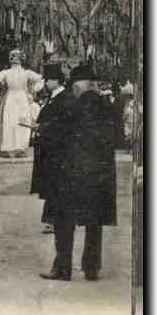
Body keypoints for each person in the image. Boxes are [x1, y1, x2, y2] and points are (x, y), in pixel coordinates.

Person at [40, 63, 117, 282]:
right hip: (100, 173)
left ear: (78, 85)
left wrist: (41, 130)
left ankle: (63, 268)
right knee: (94, 222)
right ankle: (92, 268)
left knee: (63, 219)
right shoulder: (106, 106)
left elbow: (56, 132)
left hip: (72, 172)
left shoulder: (71, 106)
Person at [29, 63, 75, 236]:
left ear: (56, 80)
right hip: (50, 148)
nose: (46, 83)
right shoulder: (54, 97)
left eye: (47, 80)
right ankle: (51, 220)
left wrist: (42, 127)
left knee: (57, 186)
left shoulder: (65, 99)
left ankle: (55, 221)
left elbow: (63, 124)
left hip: (59, 150)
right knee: (53, 186)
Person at [0, 49, 44, 157]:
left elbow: (40, 80)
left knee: (21, 122)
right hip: (13, 98)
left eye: (17, 57)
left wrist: (33, 90)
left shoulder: (25, 73)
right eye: (13, 57)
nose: (15, 59)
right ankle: (10, 148)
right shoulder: (8, 72)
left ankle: (20, 148)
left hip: (20, 98)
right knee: (10, 122)